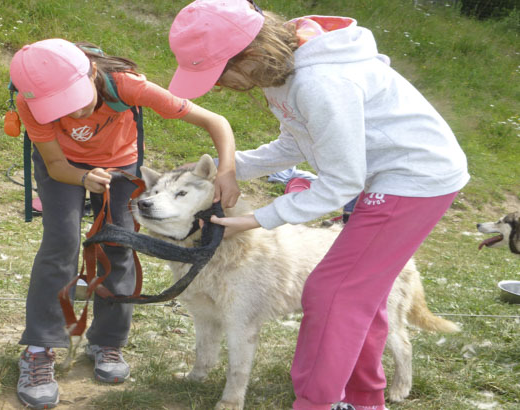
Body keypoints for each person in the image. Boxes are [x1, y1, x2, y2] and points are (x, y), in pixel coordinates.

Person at [167, 1, 469, 410]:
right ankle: (363, 399)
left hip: (415, 178)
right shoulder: (281, 71)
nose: (219, 86)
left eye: (219, 74)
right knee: (361, 295)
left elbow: (340, 181)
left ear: (251, 54)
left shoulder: (320, 82)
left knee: (333, 293)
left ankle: (318, 402)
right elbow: (295, 143)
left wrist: (256, 220)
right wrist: (229, 167)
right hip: (381, 174)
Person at [9, 38, 240, 409]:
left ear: (92, 76)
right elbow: (55, 166)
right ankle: (39, 348)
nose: (75, 115)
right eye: (59, 109)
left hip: (120, 163)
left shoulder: (127, 85)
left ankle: (108, 342)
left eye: (78, 102)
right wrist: (83, 179)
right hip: (63, 167)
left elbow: (216, 121)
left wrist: (227, 171)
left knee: (118, 242)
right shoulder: (28, 101)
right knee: (61, 243)